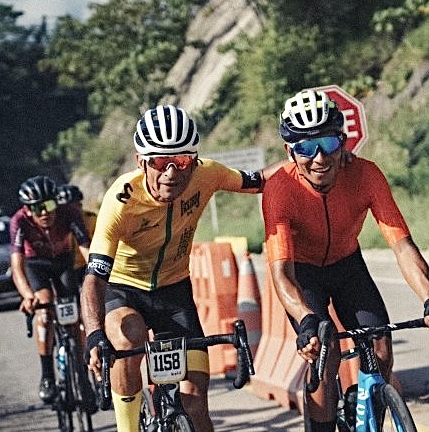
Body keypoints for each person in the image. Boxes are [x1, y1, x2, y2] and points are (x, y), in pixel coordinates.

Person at [261, 89, 429, 432]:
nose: (319, 157)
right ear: (289, 151)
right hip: (303, 274)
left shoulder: (366, 174)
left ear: (343, 142)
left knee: (381, 348)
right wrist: (306, 320)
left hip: (347, 266)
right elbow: (282, 273)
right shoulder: (279, 189)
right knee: (326, 355)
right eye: (306, 148)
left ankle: (368, 416)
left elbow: (403, 246)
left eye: (328, 143)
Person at [81, 104, 284, 432]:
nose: (172, 173)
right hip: (124, 290)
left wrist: (310, 153)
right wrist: (94, 334)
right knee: (129, 336)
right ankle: (127, 427)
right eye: (160, 162)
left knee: (195, 402)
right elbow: (94, 279)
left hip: (174, 292)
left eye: (183, 161)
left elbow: (260, 180)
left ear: (195, 160)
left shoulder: (208, 174)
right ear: (141, 161)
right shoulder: (121, 200)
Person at [9, 175, 92, 404]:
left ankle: (82, 375)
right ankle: (47, 376)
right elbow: (17, 266)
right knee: (44, 313)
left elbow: (86, 249)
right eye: (38, 207)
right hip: (36, 265)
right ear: (28, 210)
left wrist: (99, 279)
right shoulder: (19, 221)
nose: (45, 212)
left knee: (73, 317)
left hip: (63, 262)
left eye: (49, 204)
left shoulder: (69, 212)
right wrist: (28, 296)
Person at [56, 184, 98, 286]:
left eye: (74, 207)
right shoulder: (55, 225)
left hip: (88, 265)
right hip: (66, 268)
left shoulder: (92, 220)